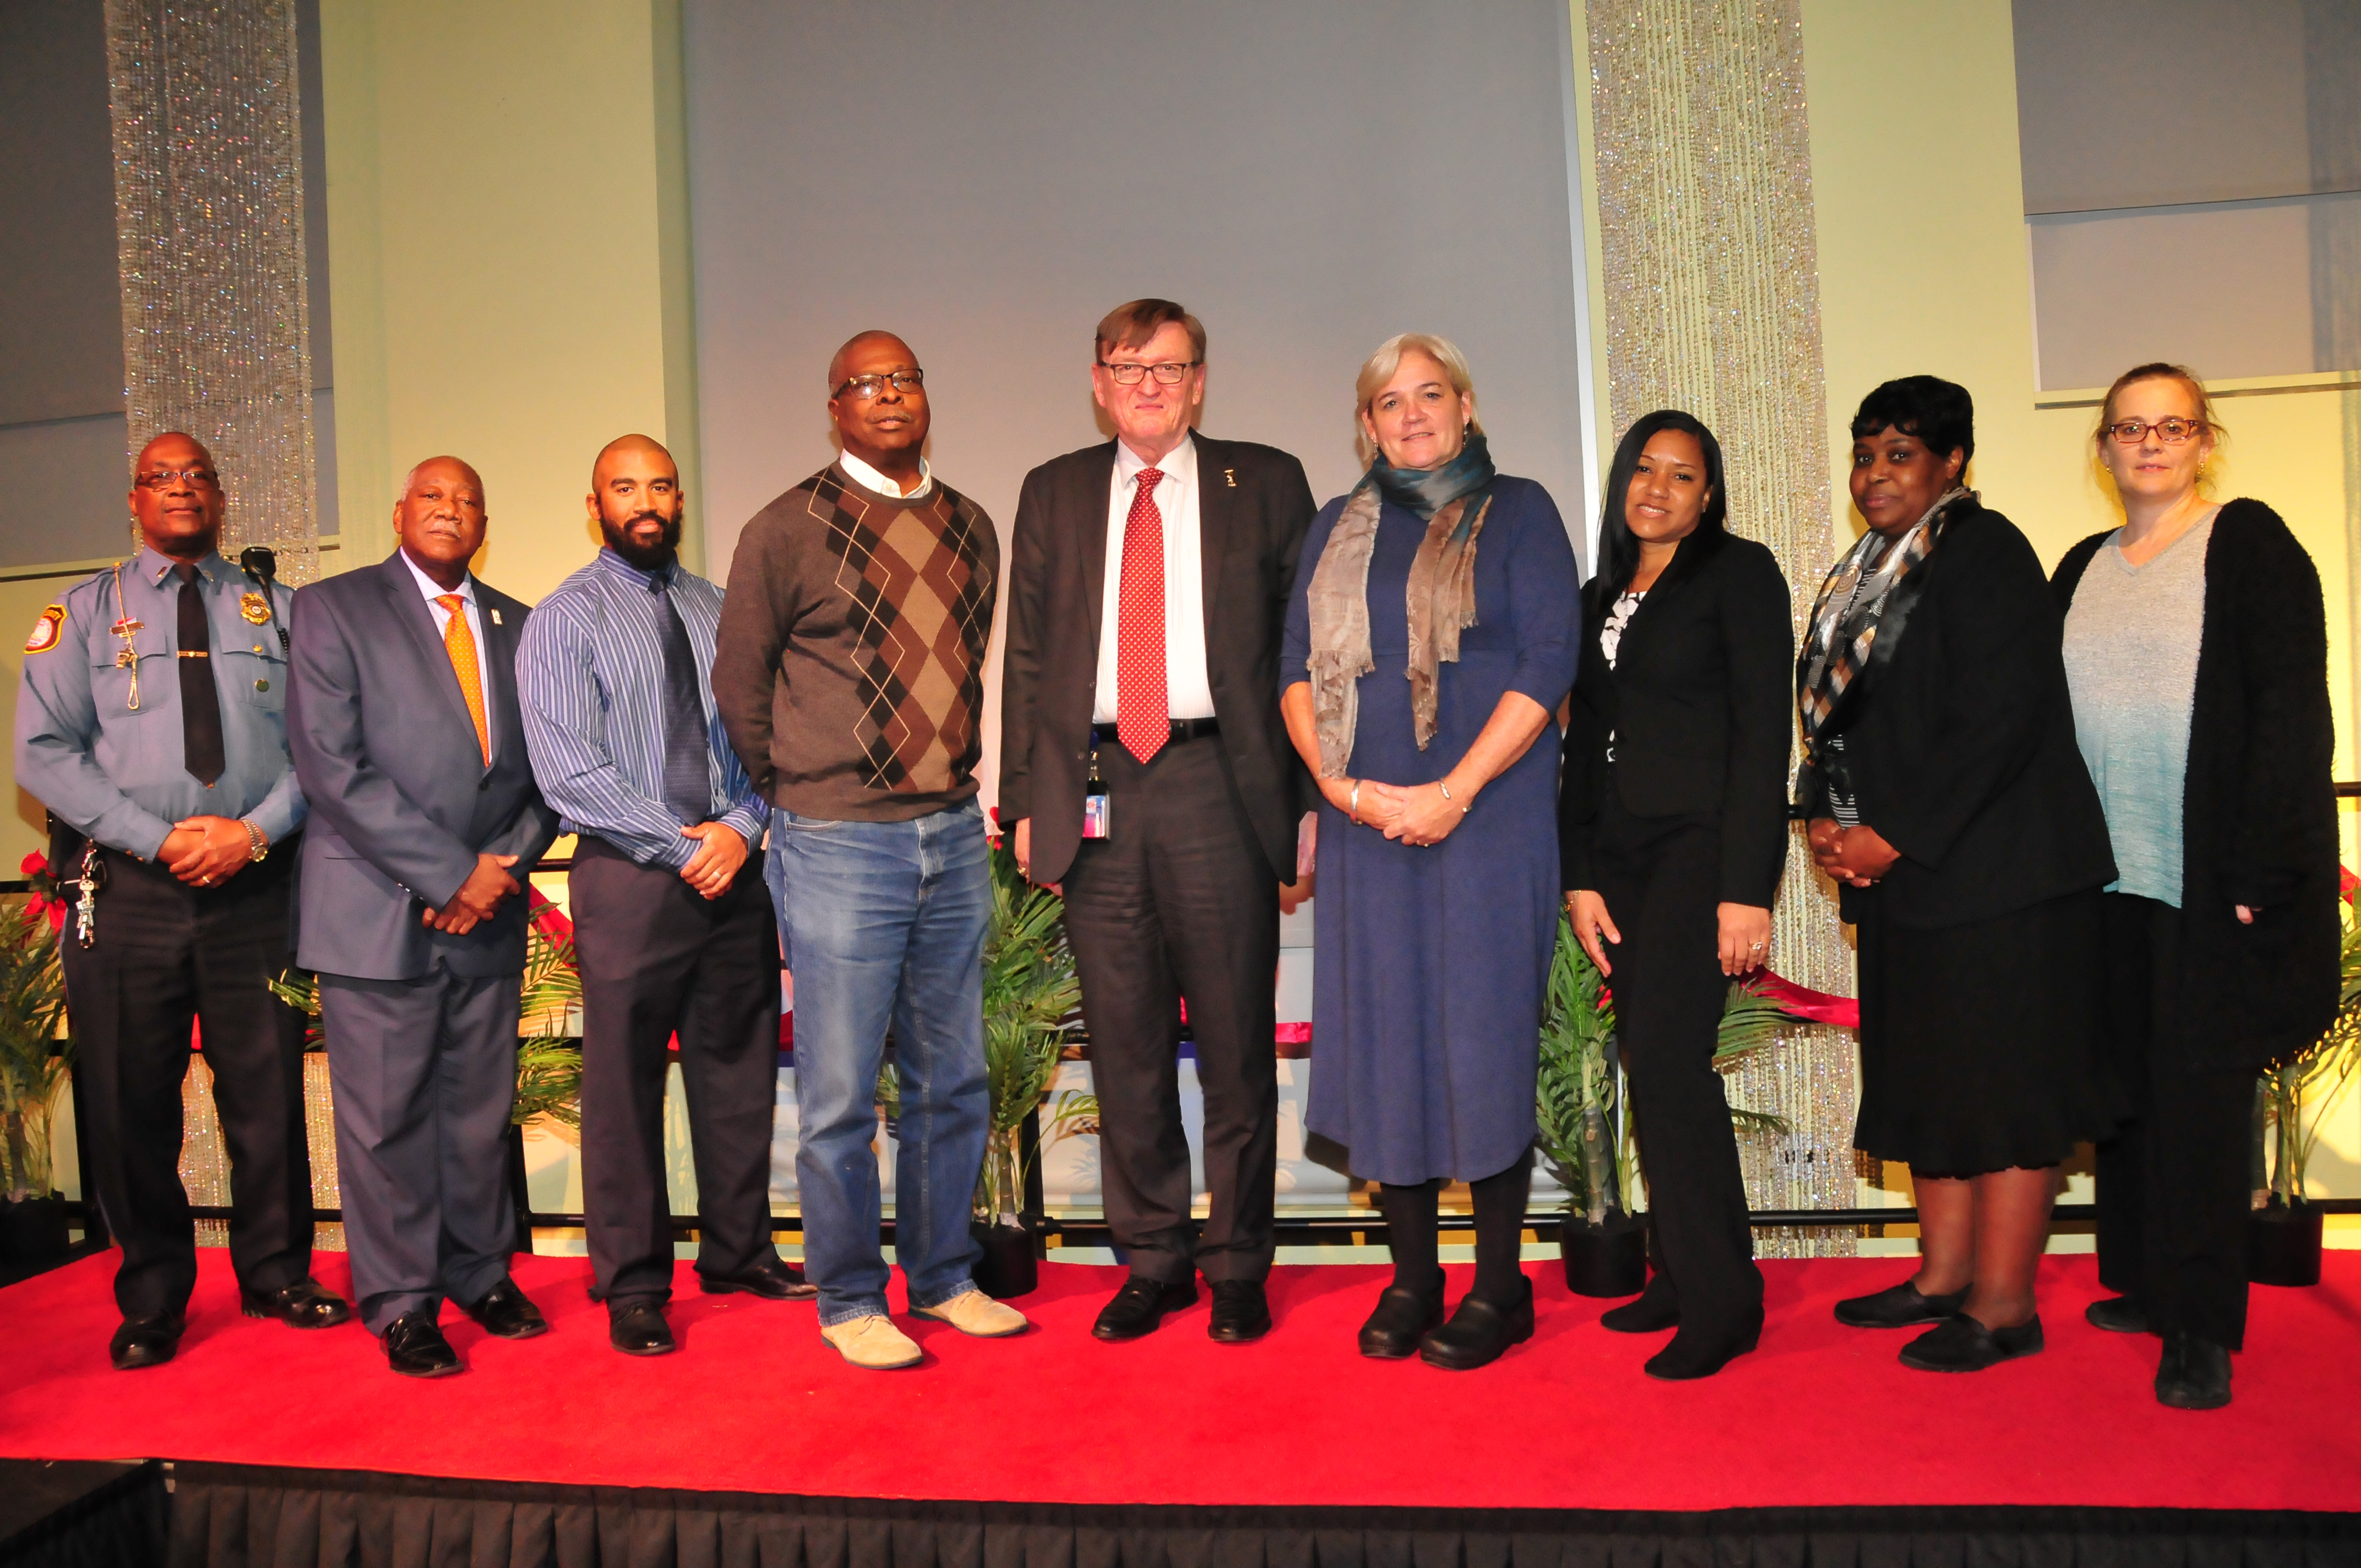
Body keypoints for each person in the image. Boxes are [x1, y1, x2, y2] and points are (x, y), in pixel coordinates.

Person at [999, 299, 1316, 1346]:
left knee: (1234, 1049)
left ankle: (1236, 1264)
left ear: (1200, 381)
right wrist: (1028, 806)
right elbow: (1031, 664)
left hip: (1219, 782)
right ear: (1097, 381)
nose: (1147, 384)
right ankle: (1153, 1261)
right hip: (1095, 790)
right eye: (1128, 366)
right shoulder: (1052, 491)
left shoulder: (1263, 483)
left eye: (1168, 367)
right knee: (1126, 1046)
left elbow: (1305, 658)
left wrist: (1307, 804)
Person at [713, 330, 1025, 1370]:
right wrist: (799, 793)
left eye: (905, 380)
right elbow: (741, 692)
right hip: (839, 843)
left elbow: (971, 671)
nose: (888, 397)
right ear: (834, 405)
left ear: (926, 396)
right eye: (865, 384)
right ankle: (849, 1297)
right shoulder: (783, 529)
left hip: (950, 835)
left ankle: (942, 1280)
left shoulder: (970, 523)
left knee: (952, 1082)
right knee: (842, 1095)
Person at [1798, 376, 2117, 1373]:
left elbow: (2005, 719)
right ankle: (1941, 1277)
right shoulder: (1864, 570)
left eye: (1901, 453)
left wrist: (1893, 835)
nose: (1876, 472)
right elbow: (1838, 716)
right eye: (1866, 453)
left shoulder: (1986, 551)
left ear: (1952, 465)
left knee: (2004, 1092)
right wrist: (1822, 815)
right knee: (1928, 1079)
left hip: (2006, 877)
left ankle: (2005, 1304)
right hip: (1914, 881)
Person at [15, 432, 348, 1370]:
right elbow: (43, 755)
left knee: (268, 1092)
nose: (182, 491)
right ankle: (154, 1294)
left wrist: (252, 833)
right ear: (135, 498)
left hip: (255, 885)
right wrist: (155, 838)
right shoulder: (81, 614)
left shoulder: (283, 612)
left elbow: (320, 749)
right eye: (163, 478)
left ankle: (279, 1273)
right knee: (131, 1101)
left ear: (220, 495)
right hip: (128, 890)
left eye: (198, 476)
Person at [1279, 333, 1578, 1370]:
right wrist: (1338, 787)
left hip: (1489, 823)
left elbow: (1550, 660)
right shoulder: (1333, 527)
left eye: (1430, 395)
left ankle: (1501, 1287)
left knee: (1480, 1039)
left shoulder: (1524, 512)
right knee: (1384, 1039)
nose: (1411, 415)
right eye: (1388, 402)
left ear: (1466, 405)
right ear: (1366, 424)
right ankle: (1412, 1279)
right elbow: (1290, 669)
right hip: (1367, 828)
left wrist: (1454, 790)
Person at [2054, 362, 2337, 1411]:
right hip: (2103, 879)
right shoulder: (2082, 563)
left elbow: (2290, 717)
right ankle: (2140, 1277)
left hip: (2206, 880)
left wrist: (2266, 866)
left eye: (2171, 425)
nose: (2151, 443)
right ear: (2105, 448)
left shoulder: (2250, 543)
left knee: (2203, 1101)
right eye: (2130, 427)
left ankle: (2203, 1323)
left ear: (2204, 438)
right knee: (2126, 1091)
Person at [518, 434, 807, 1359]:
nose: (645, 502)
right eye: (624, 487)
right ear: (595, 503)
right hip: (633, 878)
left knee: (738, 1072)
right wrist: (681, 844)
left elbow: (771, 738)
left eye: (661, 487)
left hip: (734, 874)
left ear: (680, 500)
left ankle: (736, 1252)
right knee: (623, 1090)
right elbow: (568, 768)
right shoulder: (565, 618)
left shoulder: (722, 610)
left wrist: (740, 826)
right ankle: (634, 1283)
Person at [286, 456, 563, 1378]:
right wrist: (450, 876)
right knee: (386, 1121)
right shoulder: (334, 607)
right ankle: (403, 1303)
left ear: (487, 521)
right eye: (433, 498)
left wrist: (498, 871)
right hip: (375, 911)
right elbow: (333, 768)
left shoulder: (519, 626)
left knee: (478, 1113)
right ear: (397, 510)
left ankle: (481, 1272)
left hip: (485, 912)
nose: (451, 511)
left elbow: (543, 778)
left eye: (469, 500)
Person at [1559, 411, 1791, 1379]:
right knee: (1649, 1065)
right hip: (1622, 861)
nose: (1658, 488)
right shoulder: (1600, 592)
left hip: (1702, 854)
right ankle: (1683, 1271)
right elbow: (1581, 749)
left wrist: (1747, 890)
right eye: (1644, 470)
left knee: (1669, 1060)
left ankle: (1724, 1303)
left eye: (1683, 476)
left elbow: (1762, 737)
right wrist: (1577, 873)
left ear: (1709, 495)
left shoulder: (1739, 576)